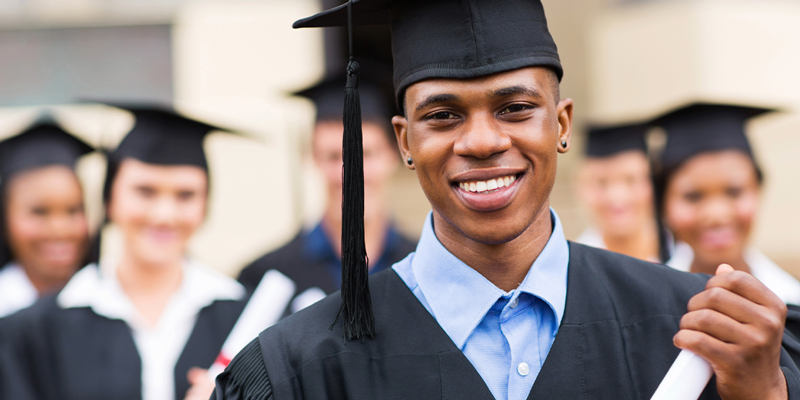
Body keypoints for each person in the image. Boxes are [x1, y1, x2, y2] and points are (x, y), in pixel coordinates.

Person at [214, 1, 800, 399]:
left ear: (562, 123)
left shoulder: (701, 334)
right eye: (442, 116)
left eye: (515, 108)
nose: (483, 141)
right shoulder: (299, 368)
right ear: (404, 141)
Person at [1, 105, 247, 400]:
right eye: (145, 191)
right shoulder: (31, 333)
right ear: (109, 199)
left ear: (205, 205)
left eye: (186, 195)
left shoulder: (247, 319)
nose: (164, 215)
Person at [237, 75, 417, 313]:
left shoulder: (421, 267)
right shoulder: (267, 275)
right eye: (334, 156)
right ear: (312, 158)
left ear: (394, 155)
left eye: (367, 154)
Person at [653, 103, 800, 305]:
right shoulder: (648, 302)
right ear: (664, 204)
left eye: (734, 192)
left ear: (758, 191)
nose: (716, 214)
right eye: (693, 196)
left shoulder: (790, 298)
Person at [0, 116, 93, 319]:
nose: (59, 229)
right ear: (4, 218)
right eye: (39, 212)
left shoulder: (106, 302)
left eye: (73, 210)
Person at [575, 123, 659, 261]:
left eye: (631, 180)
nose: (616, 197)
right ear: (582, 188)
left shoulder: (684, 257)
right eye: (601, 182)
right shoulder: (573, 265)